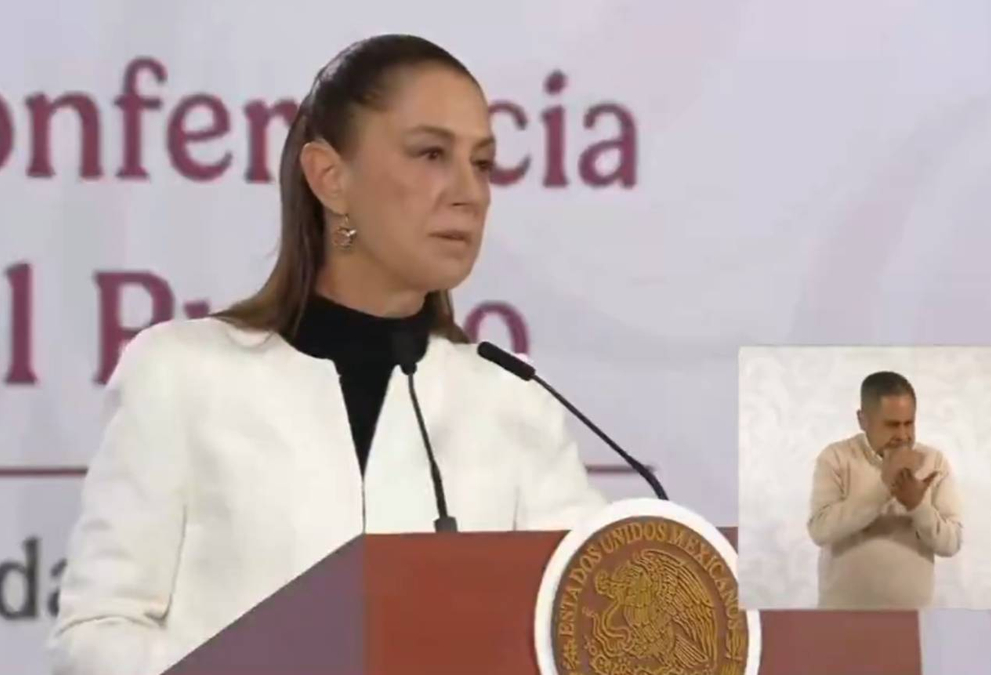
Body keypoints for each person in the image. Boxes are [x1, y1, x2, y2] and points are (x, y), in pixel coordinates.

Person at [47, 34, 606, 675]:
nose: (469, 193)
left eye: (482, 164)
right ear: (330, 178)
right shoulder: (182, 374)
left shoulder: (511, 403)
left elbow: (589, 624)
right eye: (431, 154)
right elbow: (97, 632)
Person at [806, 371, 963, 609]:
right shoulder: (835, 457)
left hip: (912, 615)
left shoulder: (934, 461)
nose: (902, 435)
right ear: (862, 420)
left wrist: (917, 506)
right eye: (891, 425)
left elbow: (950, 544)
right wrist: (884, 486)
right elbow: (820, 531)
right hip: (841, 613)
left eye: (909, 423)